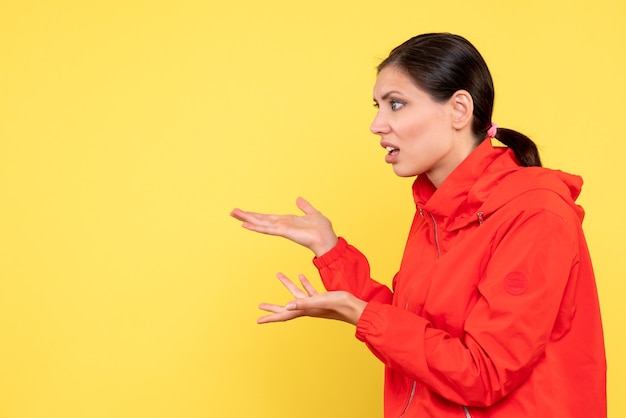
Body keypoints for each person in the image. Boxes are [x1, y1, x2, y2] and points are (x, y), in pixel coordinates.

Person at [230, 33, 606, 417]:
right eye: (376, 107)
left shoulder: (533, 214)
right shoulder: (435, 207)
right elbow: (415, 335)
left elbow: (485, 373)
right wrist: (330, 251)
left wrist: (363, 316)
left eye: (396, 104)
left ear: (459, 109)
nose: (377, 125)